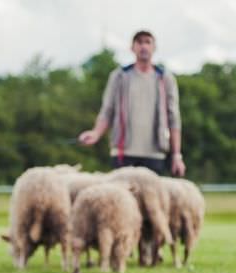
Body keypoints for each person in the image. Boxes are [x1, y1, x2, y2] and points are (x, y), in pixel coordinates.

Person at [79, 30, 186, 177]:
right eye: (139, 42)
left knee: (151, 199)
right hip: (123, 152)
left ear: (154, 47)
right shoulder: (119, 76)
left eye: (147, 42)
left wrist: (176, 155)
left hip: (154, 153)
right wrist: (96, 133)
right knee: (121, 199)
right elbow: (107, 110)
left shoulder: (165, 79)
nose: (143, 46)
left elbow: (174, 118)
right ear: (132, 48)